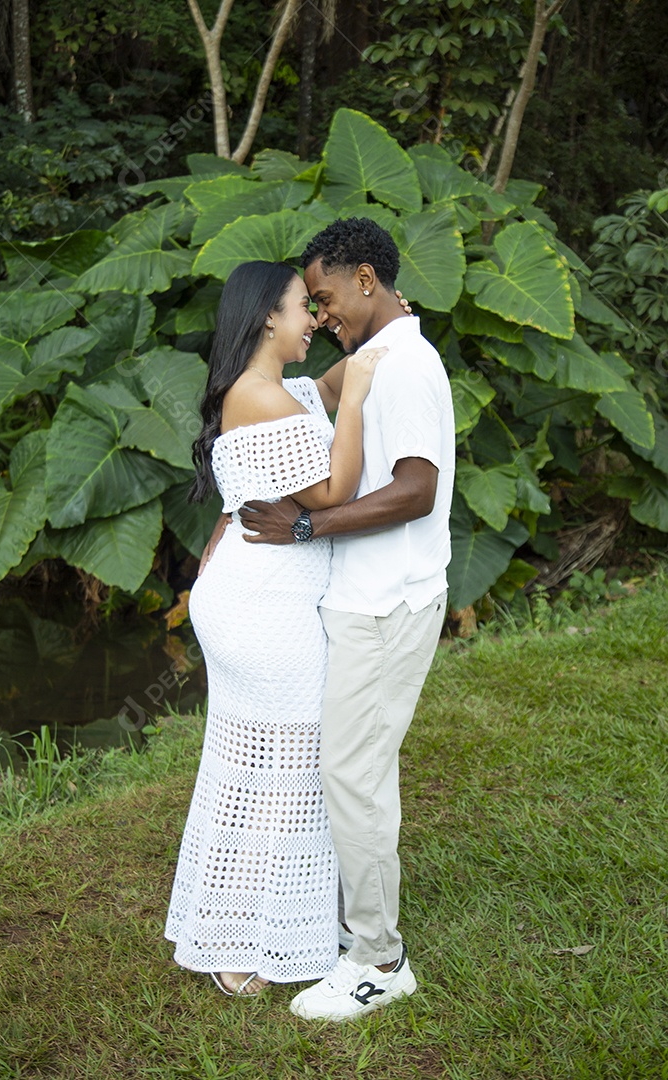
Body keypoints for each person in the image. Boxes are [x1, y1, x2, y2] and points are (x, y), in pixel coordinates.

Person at [236, 218, 456, 1020]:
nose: (320, 312)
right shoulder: (370, 361)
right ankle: (361, 930)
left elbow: (416, 490)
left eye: (323, 295)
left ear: (368, 278)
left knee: (352, 775)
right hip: (361, 600)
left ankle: (377, 959)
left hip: (387, 602)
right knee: (360, 772)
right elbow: (304, 401)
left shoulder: (405, 368)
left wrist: (305, 526)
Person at [164, 260, 387, 996]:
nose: (314, 319)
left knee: (264, 768)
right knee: (278, 773)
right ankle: (239, 945)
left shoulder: (271, 392)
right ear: (266, 317)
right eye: (302, 307)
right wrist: (354, 395)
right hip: (265, 612)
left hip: (256, 597)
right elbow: (330, 490)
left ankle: (257, 925)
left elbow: (314, 392)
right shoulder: (261, 401)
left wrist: (374, 336)